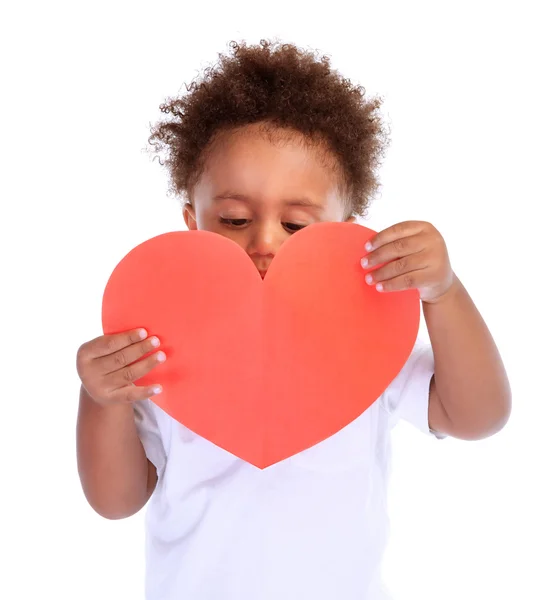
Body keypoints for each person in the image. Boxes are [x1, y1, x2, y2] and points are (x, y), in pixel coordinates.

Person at [76, 40, 511, 599]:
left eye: (297, 225)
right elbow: (116, 501)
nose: (263, 241)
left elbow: (478, 416)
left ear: (344, 228)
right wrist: (101, 398)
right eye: (233, 218)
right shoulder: (161, 346)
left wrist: (443, 293)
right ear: (192, 219)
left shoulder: (364, 338)